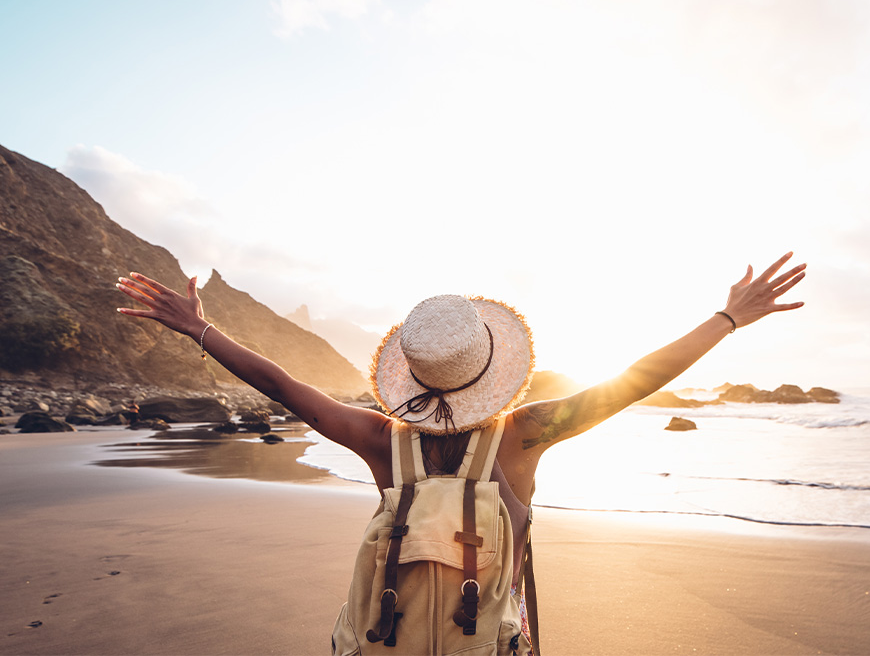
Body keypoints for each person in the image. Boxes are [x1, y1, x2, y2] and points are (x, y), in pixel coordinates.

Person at [115, 252, 805, 652]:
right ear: (495, 366)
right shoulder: (524, 434)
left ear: (412, 376)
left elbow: (284, 385)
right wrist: (728, 319)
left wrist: (201, 331)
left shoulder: (382, 439)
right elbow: (633, 381)